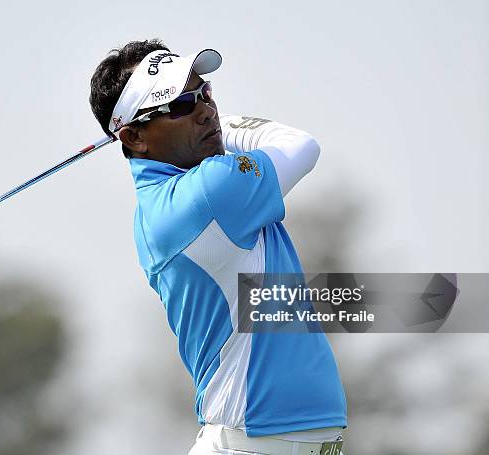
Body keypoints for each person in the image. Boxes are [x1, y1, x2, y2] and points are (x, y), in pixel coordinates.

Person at [89, 39, 347, 455]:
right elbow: (300, 145)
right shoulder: (210, 191)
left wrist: (201, 120)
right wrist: (223, 125)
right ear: (135, 136)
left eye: (204, 92)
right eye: (180, 105)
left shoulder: (173, 198)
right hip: (251, 443)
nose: (206, 110)